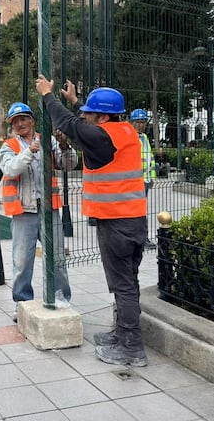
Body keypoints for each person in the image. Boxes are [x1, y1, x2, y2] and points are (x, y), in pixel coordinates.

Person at [35, 75, 148, 367]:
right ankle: (122, 334)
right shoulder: (124, 131)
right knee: (128, 282)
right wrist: (75, 100)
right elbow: (84, 125)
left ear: (102, 116)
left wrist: (49, 96)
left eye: (89, 113)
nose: (83, 116)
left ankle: (132, 347)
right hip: (133, 221)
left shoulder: (102, 136)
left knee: (122, 286)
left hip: (116, 223)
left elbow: (70, 125)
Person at [0, 102, 77, 321]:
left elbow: (69, 164)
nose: (20, 124)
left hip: (48, 208)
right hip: (24, 210)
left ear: (32, 120)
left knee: (58, 257)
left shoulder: (49, 141)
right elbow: (10, 168)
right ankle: (21, 303)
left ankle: (62, 298)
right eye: (15, 121)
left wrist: (64, 147)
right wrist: (29, 151)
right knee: (22, 261)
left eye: (23, 119)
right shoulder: (8, 146)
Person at [130, 109, 156, 249]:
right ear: (132, 123)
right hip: (135, 181)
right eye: (138, 122)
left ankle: (140, 237)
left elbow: (149, 158)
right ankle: (140, 238)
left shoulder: (144, 137)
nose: (141, 125)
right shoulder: (130, 137)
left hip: (144, 181)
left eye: (143, 122)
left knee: (140, 211)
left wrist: (151, 178)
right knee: (137, 212)